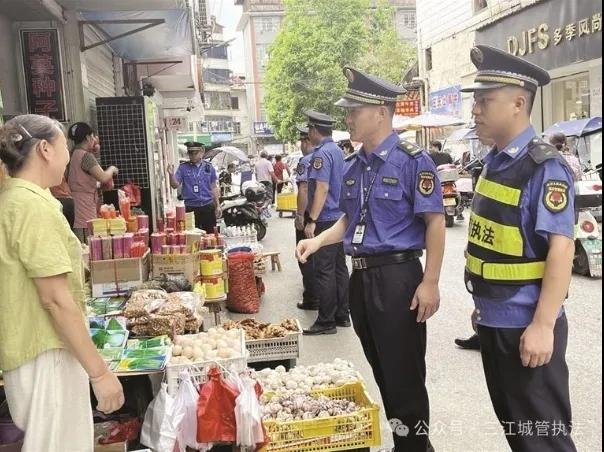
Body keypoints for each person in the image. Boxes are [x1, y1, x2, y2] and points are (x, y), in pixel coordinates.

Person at [297, 67, 445, 451]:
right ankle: (407, 445)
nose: (347, 119)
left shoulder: (413, 161)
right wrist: (316, 243)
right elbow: (349, 219)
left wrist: (430, 282)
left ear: (381, 112)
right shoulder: (352, 165)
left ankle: (415, 446)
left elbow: (435, 221)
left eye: (354, 111)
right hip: (361, 280)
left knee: (405, 377)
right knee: (383, 371)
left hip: (398, 278)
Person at [462, 45, 577, 451]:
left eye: (484, 100)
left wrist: (544, 325)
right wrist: (485, 301)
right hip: (496, 320)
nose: (475, 110)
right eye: (475, 101)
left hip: (526, 324)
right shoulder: (495, 162)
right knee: (520, 434)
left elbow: (561, 249)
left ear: (517, 103)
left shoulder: (544, 166)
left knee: (544, 439)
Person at [0, 115, 124, 451]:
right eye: (62, 147)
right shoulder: (33, 206)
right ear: (44, 149)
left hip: (29, 349)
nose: (68, 157)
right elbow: (55, 299)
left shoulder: (12, 200)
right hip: (48, 351)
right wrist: (100, 374)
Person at [302, 110, 350, 336]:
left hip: (325, 218)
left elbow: (322, 188)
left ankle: (326, 320)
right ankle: (342, 314)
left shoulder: (321, 155)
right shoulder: (338, 151)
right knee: (339, 268)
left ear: (314, 130)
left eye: (308, 130)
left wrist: (311, 219)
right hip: (338, 217)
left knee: (324, 271)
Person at [67, 122, 118, 241]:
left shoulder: (73, 153)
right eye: (93, 136)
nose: (94, 140)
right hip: (84, 205)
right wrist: (112, 169)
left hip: (77, 202)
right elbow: (104, 177)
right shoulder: (86, 156)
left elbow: (81, 180)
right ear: (87, 137)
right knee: (88, 239)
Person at [168, 142, 221, 233]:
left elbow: (213, 187)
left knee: (210, 235)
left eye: (195, 153)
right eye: (190, 153)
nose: (192, 155)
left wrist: (218, 205)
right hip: (190, 208)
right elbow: (175, 185)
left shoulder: (209, 167)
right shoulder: (183, 168)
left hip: (207, 207)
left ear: (202, 152)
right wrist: (171, 175)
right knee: (193, 237)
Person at [294, 126, 319, 310]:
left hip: (311, 214)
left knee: (305, 257)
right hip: (326, 216)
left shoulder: (306, 160)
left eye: (303, 141)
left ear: (306, 141)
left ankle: (311, 298)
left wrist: (300, 215)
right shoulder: (329, 156)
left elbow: (304, 189)